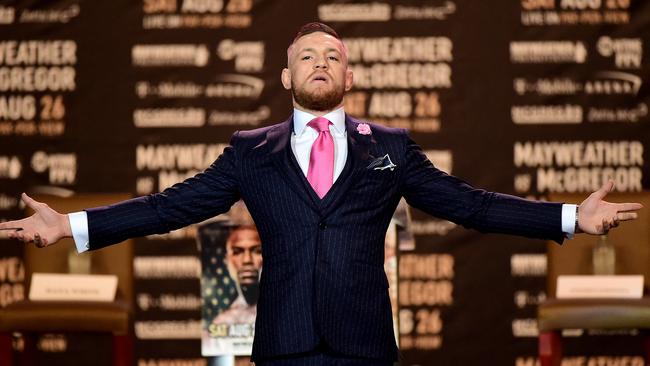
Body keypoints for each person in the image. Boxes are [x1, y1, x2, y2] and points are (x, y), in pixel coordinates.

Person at [0, 22, 643, 365]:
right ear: (286, 75)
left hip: (364, 342)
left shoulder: (388, 145)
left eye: (331, 56)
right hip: (283, 342)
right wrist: (73, 228)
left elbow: (468, 203)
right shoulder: (250, 149)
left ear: (349, 75)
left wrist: (569, 217)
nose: (319, 63)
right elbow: (171, 206)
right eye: (306, 55)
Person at [213, 225, 262, 325]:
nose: (247, 260)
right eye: (237, 252)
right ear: (227, 261)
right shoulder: (221, 322)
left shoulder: (287, 310)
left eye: (257, 251)